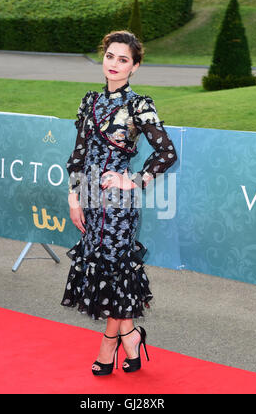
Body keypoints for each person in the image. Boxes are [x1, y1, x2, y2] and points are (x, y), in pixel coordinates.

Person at [61, 30, 177, 375]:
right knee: (101, 265)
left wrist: (135, 179)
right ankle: (130, 336)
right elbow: (79, 154)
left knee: (114, 269)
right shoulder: (89, 101)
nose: (114, 64)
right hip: (91, 198)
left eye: (123, 59)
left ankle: (110, 343)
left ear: (135, 66)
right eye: (110, 56)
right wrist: (74, 195)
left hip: (118, 202)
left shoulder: (139, 105)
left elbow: (167, 152)